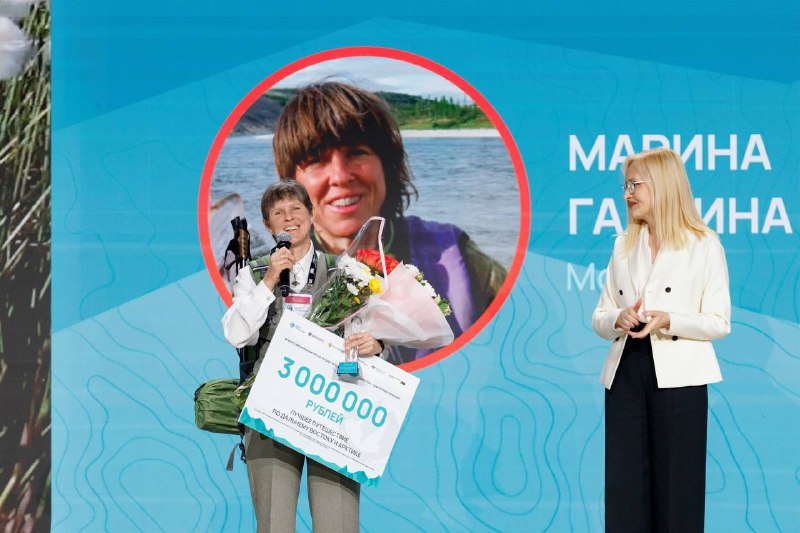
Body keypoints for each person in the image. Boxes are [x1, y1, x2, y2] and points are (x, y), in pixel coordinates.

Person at [272, 81, 508, 363]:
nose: (340, 176)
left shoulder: (459, 259)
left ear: (387, 164)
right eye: (316, 160)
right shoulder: (268, 276)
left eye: (356, 152)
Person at [222, 181, 382, 533]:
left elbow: (366, 334)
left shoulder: (344, 271)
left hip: (331, 408)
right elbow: (236, 334)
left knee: (338, 523)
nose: (289, 218)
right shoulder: (254, 273)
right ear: (268, 225)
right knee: (274, 524)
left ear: (312, 215)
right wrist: (269, 282)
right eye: (278, 213)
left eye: (296, 209)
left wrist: (377, 344)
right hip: (269, 408)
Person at [592, 147, 731, 532]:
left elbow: (719, 322)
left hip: (679, 379)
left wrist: (670, 319)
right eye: (625, 186)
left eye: (634, 185)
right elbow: (600, 316)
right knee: (624, 494)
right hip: (625, 375)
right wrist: (618, 318)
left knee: (677, 494)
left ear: (663, 186)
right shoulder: (623, 245)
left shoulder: (703, 244)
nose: (627, 194)